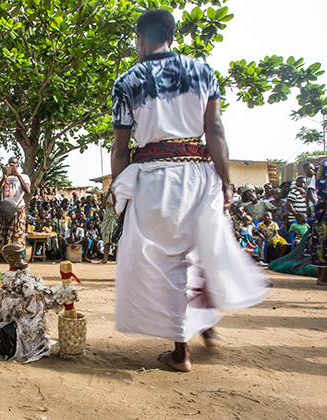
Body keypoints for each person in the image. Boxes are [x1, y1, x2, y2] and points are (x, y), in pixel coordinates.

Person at [109, 9, 269, 372]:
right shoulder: (202, 71)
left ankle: (181, 352)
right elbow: (215, 130)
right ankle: (208, 327)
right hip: (201, 174)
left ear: (141, 40)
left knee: (168, 260)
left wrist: (120, 192)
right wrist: (225, 180)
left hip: (155, 178)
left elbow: (120, 148)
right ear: (171, 35)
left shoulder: (128, 80)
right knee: (202, 250)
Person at [0, 157, 31, 248]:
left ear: (18, 165)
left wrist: (18, 175)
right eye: (9, 163)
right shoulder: (4, 177)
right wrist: (3, 178)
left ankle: (17, 256)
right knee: (4, 234)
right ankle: (5, 256)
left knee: (17, 234)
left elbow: (27, 190)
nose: (11, 165)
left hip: (18, 209)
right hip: (6, 210)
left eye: (13, 163)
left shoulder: (24, 176)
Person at [99, 188, 119, 264]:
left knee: (117, 240)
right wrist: (108, 194)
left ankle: (118, 259)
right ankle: (105, 259)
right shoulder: (107, 193)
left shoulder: (120, 194)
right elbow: (103, 205)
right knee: (106, 239)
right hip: (108, 217)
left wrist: (114, 195)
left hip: (116, 217)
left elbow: (117, 206)